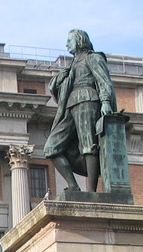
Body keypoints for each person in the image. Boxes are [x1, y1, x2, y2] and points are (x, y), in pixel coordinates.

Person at [43, 29, 117, 193]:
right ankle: (74, 186)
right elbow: (58, 88)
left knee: (88, 145)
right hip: (70, 105)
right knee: (51, 148)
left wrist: (105, 102)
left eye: (70, 40)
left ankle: (91, 192)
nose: (67, 44)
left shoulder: (93, 58)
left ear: (80, 40)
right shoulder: (71, 67)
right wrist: (59, 80)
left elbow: (104, 82)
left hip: (88, 100)